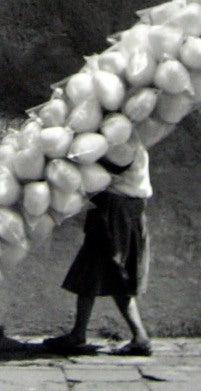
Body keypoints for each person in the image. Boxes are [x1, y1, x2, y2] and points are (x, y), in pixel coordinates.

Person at [42, 132, 153, 356]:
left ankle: (139, 336)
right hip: (123, 208)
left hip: (116, 210)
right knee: (90, 271)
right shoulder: (133, 139)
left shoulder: (124, 143)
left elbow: (106, 166)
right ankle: (78, 334)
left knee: (113, 271)